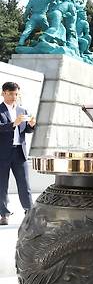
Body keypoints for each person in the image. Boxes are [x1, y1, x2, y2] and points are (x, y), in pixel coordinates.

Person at [0, 82, 36, 225]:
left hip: (19, 152)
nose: (14, 96)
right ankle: (4, 214)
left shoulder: (22, 110)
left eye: (16, 94)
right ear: (3, 93)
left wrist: (32, 125)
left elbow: (26, 130)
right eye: (10, 93)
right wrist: (13, 123)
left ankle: (29, 211)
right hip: (2, 153)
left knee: (24, 183)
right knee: (2, 185)